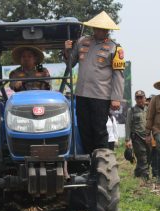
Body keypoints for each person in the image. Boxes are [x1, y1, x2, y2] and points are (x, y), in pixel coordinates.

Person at [64, 11, 125, 154]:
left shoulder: (115, 48)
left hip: (100, 96)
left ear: (108, 30)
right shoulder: (82, 42)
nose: (99, 30)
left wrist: (116, 98)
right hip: (81, 94)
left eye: (103, 28)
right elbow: (70, 64)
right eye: (97, 27)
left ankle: (102, 164)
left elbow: (118, 75)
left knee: (99, 130)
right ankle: (88, 163)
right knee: (84, 129)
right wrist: (67, 50)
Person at [125, 90, 151, 180]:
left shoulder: (149, 109)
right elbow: (128, 125)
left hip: (148, 137)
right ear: (135, 99)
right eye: (137, 98)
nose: (139, 100)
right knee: (142, 157)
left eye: (141, 97)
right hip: (137, 137)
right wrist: (127, 140)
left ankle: (137, 173)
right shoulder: (131, 110)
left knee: (148, 157)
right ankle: (145, 178)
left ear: (145, 98)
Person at [146, 94, 158, 177]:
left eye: (152, 100)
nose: (150, 102)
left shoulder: (159, 112)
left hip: (157, 140)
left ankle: (155, 174)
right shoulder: (145, 111)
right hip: (148, 139)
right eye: (149, 100)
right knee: (148, 158)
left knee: (157, 158)